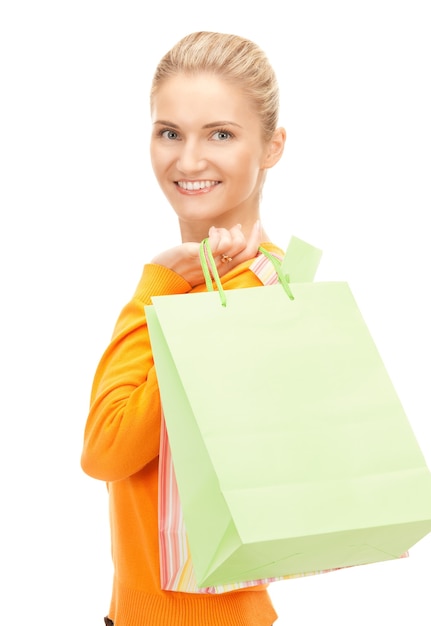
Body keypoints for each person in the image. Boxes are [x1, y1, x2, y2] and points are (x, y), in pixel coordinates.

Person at [81, 30, 286, 626]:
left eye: (220, 134)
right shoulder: (240, 286)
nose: (188, 160)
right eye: (170, 132)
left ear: (272, 147)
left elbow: (106, 448)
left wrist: (154, 287)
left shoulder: (242, 299)